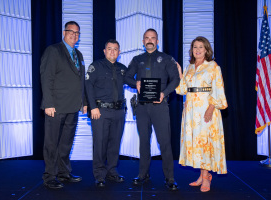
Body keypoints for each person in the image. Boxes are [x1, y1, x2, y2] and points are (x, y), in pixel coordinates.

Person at [125, 28, 179, 190]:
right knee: (143, 143)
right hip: (141, 107)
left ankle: (169, 178)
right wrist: (136, 84)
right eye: (147, 38)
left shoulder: (167, 59)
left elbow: (175, 79)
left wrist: (164, 93)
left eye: (153, 38)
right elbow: (126, 77)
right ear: (143, 41)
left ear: (157, 41)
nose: (150, 40)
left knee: (165, 143)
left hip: (160, 106)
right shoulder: (137, 59)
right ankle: (143, 174)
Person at [176, 36, 228, 192]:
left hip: (206, 108)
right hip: (191, 111)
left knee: (205, 142)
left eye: (200, 47)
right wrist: (180, 73)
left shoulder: (213, 66)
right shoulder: (190, 67)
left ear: (206, 49)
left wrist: (211, 108)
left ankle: (206, 178)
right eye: (194, 47)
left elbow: (218, 90)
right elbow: (182, 89)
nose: (197, 50)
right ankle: (202, 175)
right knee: (197, 142)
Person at [40, 21, 87, 189]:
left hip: (73, 106)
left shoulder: (79, 55)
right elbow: (46, 78)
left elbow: (81, 81)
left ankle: (64, 172)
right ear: (64, 32)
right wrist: (48, 103)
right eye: (71, 31)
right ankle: (50, 176)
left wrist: (84, 102)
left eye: (77, 33)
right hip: (56, 106)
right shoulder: (53, 51)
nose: (74, 35)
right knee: (52, 143)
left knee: (66, 142)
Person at [85, 39, 127, 187]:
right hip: (100, 111)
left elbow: (135, 82)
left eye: (115, 49)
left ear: (119, 52)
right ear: (104, 51)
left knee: (114, 144)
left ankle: (112, 172)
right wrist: (92, 107)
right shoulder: (95, 66)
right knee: (100, 144)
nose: (112, 51)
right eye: (109, 49)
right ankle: (99, 175)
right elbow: (88, 86)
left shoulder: (123, 68)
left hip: (119, 111)